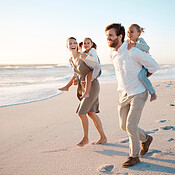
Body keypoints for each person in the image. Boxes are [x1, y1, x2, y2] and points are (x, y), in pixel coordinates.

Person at [105, 23, 158, 167]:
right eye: (107, 36)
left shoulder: (133, 51)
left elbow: (154, 65)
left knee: (130, 125)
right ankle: (146, 139)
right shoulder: (112, 54)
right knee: (124, 126)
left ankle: (134, 156)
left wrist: (143, 77)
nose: (108, 38)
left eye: (111, 35)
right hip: (123, 94)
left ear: (120, 36)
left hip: (138, 92)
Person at [59, 37, 107, 147]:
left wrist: (88, 80)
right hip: (83, 87)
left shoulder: (83, 56)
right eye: (70, 43)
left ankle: (85, 138)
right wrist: (70, 84)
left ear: (77, 45)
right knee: (90, 113)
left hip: (92, 87)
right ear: (67, 46)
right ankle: (103, 137)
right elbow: (76, 74)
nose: (73, 44)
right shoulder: (71, 60)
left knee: (81, 113)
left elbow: (95, 68)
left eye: (75, 42)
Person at [127, 24, 157, 102]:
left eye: (132, 32)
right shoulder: (127, 42)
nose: (129, 34)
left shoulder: (140, 40)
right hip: (137, 64)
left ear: (138, 33)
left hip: (145, 65)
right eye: (128, 32)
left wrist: (135, 45)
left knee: (141, 76)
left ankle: (153, 93)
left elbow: (147, 48)